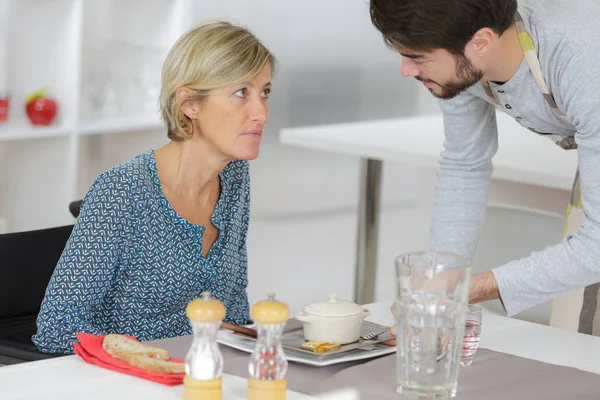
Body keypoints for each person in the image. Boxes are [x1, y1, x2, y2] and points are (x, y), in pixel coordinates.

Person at [33, 21, 276, 354]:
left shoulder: (234, 177)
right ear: (190, 103)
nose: (261, 113)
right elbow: (58, 329)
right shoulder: (122, 191)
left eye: (265, 92)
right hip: (130, 382)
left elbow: (232, 305)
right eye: (240, 93)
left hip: (206, 374)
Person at [369, 0, 600, 336]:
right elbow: (466, 163)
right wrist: (440, 283)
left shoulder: (582, 58)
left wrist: (468, 289)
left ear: (481, 42)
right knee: (581, 337)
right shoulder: (461, 62)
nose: (406, 69)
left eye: (417, 57)